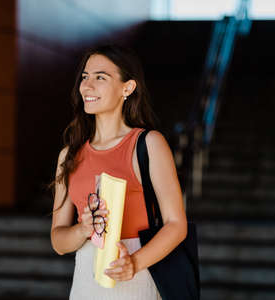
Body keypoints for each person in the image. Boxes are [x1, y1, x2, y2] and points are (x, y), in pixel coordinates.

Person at [50, 44, 187, 299]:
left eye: (100, 77)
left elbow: (177, 225)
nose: (86, 86)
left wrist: (134, 263)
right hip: (85, 279)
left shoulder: (148, 144)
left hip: (137, 273)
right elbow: (58, 241)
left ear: (128, 87)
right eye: (84, 77)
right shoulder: (68, 155)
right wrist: (82, 229)